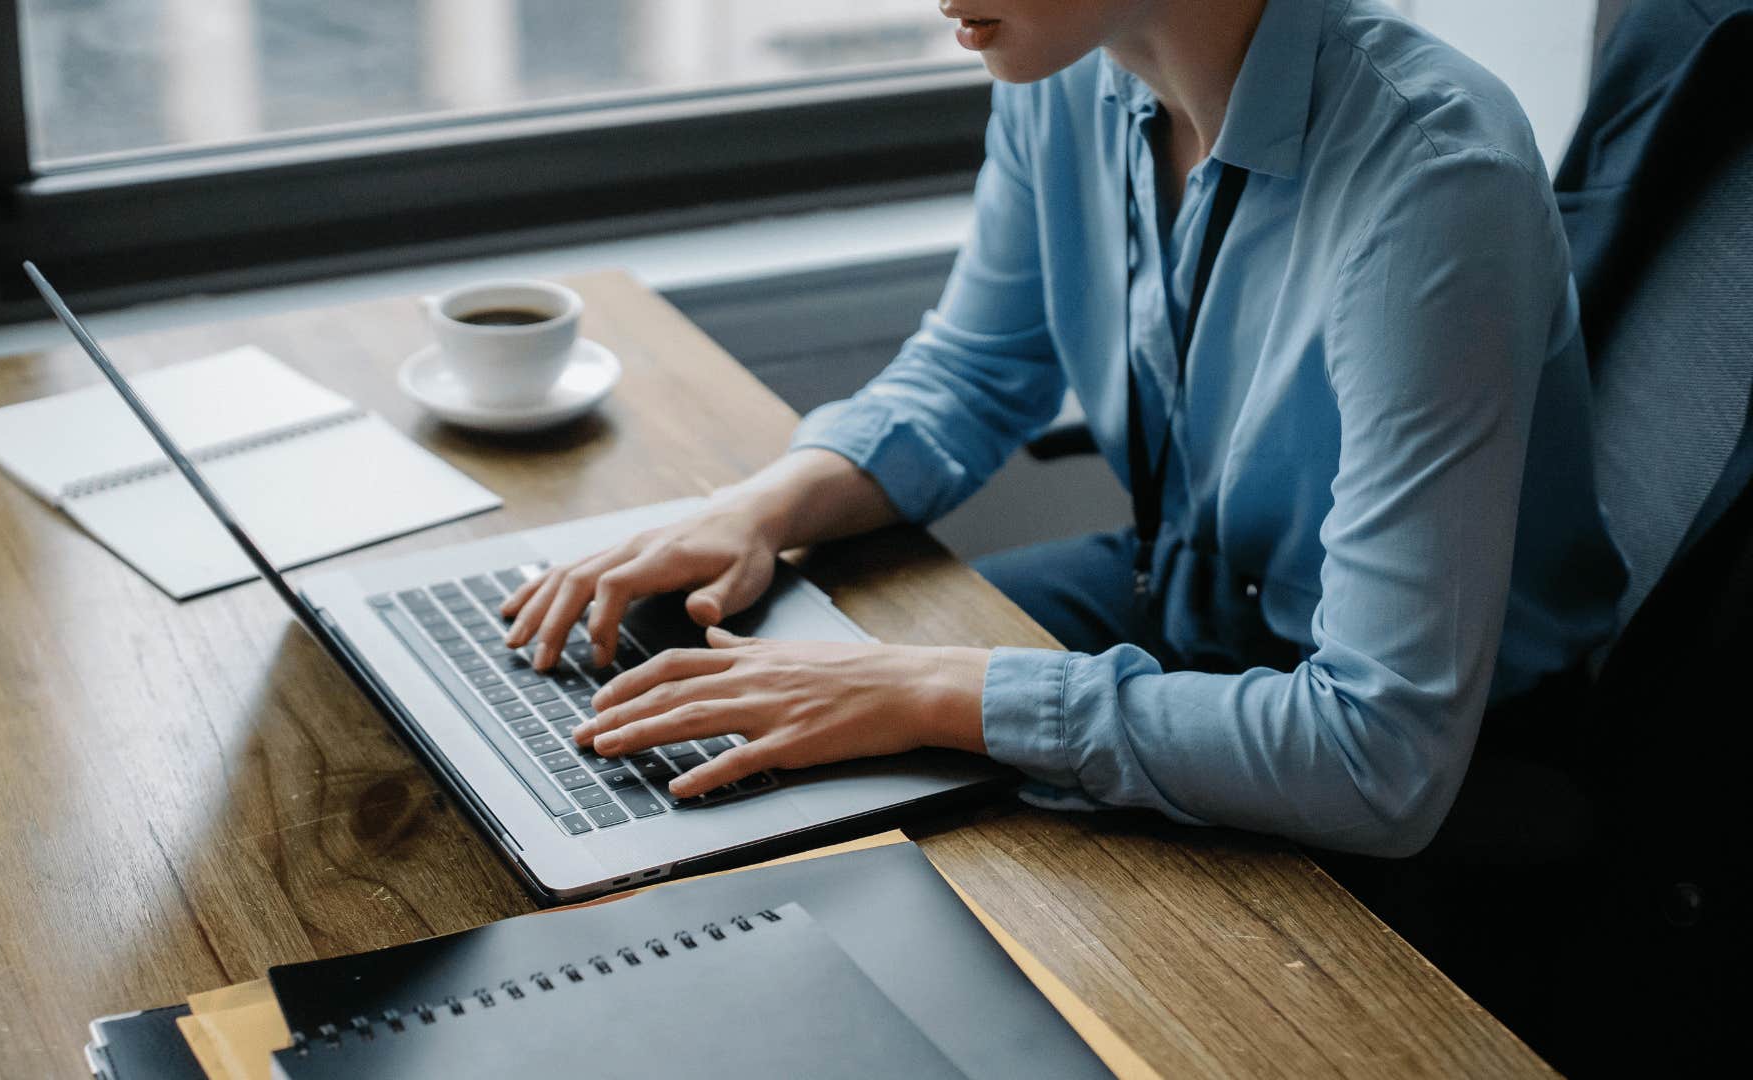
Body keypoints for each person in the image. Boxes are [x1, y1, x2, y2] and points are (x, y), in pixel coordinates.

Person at [500, 0, 1624, 861]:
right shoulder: (1069, 67)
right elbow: (980, 369)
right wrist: (760, 508)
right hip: (1184, 606)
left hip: (1433, 755)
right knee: (682, 753)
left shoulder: (1433, 177)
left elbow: (1381, 758)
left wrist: (928, 691)